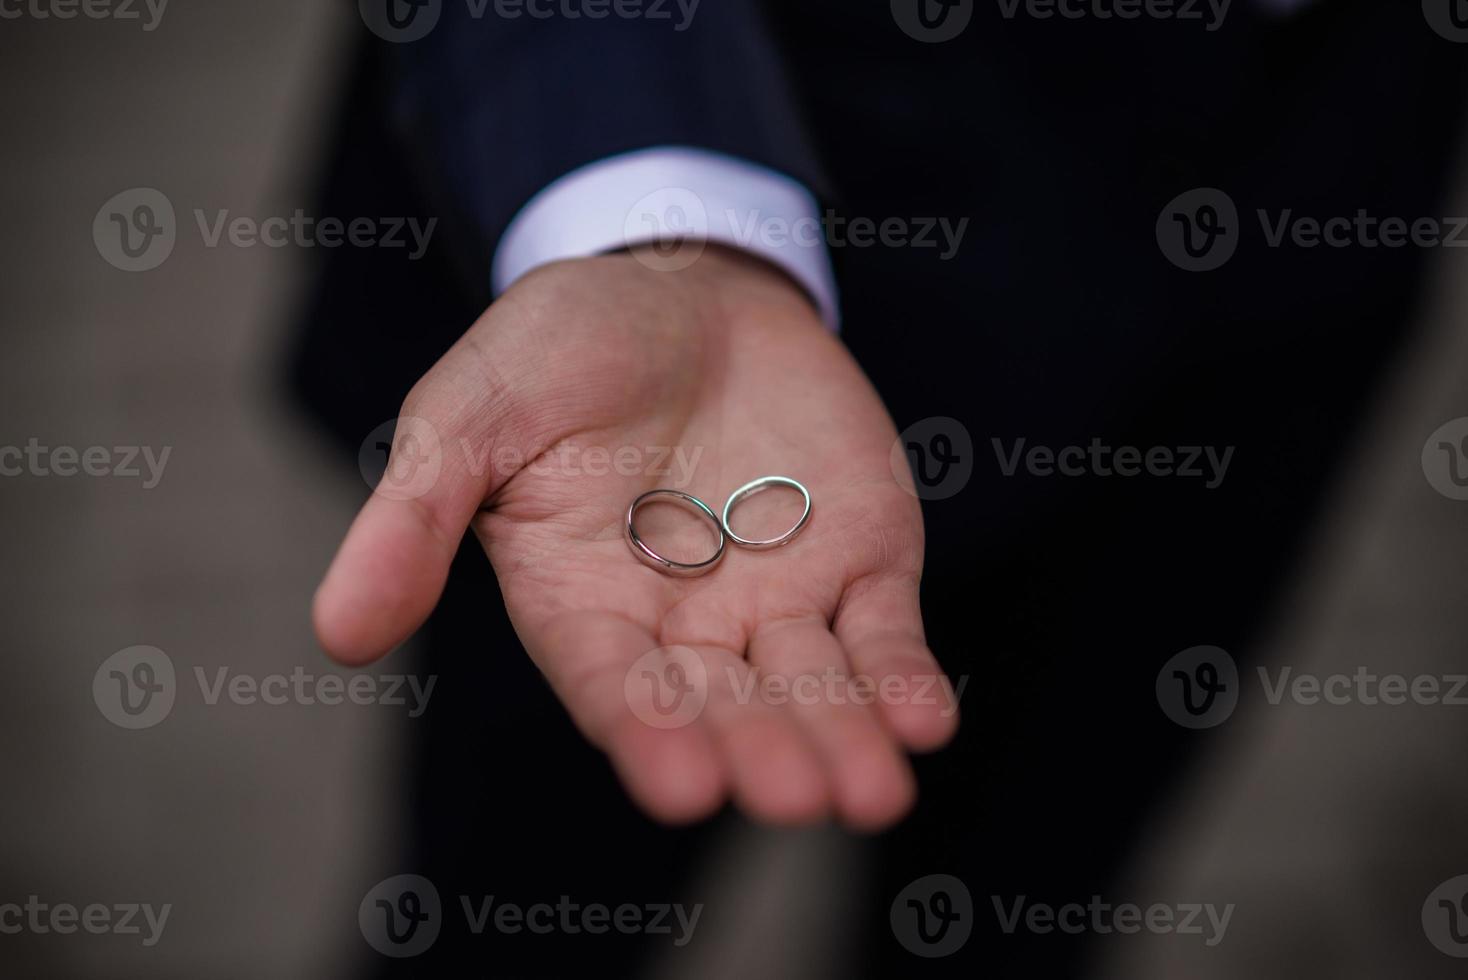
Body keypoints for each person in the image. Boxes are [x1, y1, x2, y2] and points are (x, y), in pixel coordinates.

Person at [289, 1, 1468, 974]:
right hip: (688, 329)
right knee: (516, 916)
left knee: (1025, 905)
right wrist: (660, 220)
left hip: (1280, 264)